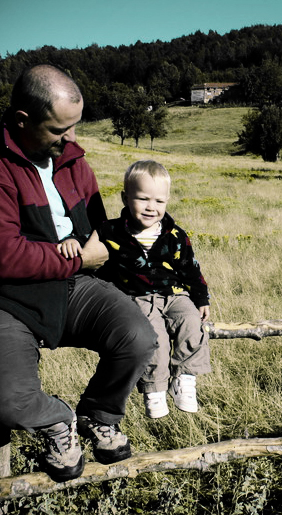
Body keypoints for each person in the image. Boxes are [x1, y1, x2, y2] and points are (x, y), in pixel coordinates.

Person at [0, 64, 157, 482]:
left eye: (75, 125)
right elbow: (4, 258)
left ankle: (98, 415)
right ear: (22, 120)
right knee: (8, 403)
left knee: (138, 338)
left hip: (77, 285)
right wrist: (80, 260)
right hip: (8, 296)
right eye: (60, 129)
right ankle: (58, 419)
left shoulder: (71, 157)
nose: (71, 138)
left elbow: (98, 231)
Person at [91, 160, 211, 419]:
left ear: (167, 201)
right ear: (125, 197)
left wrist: (201, 298)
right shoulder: (110, 231)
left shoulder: (175, 235)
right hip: (137, 298)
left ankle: (185, 378)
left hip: (175, 295)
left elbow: (190, 268)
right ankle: (154, 388)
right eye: (143, 199)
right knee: (153, 336)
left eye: (159, 201)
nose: (151, 207)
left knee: (192, 322)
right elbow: (94, 261)